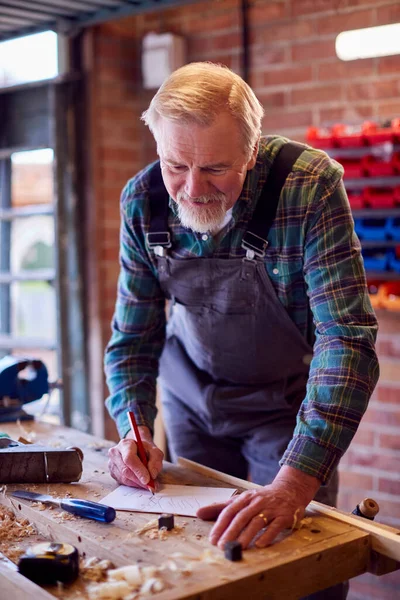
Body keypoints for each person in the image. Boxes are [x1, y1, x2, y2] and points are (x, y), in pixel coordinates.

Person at [104, 62, 379, 598]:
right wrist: (133, 429)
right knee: (200, 559)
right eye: (175, 165)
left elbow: (347, 340)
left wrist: (296, 482)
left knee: (296, 566)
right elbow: (134, 338)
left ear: (251, 154)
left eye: (215, 169)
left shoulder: (309, 189)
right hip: (192, 409)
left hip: (283, 414)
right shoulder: (142, 201)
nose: (192, 189)